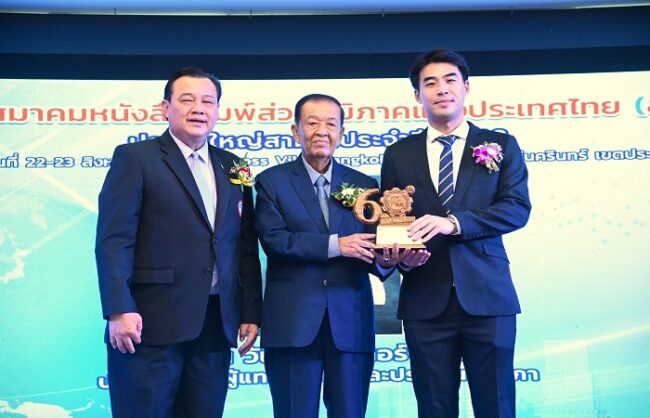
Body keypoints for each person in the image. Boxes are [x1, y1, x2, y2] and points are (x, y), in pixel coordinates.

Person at [95, 67, 262, 418]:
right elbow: (114, 240)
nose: (198, 108)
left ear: (218, 111)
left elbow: (244, 245)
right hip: (150, 323)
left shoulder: (236, 166)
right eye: (187, 100)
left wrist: (249, 311)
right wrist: (118, 308)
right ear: (165, 108)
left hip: (215, 324)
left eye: (208, 101)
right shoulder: (135, 158)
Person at [380, 49, 532, 417]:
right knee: (434, 406)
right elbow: (392, 223)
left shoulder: (500, 145)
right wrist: (402, 258)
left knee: (496, 405)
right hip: (424, 299)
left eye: (450, 80)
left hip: (488, 296)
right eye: (430, 83)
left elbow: (516, 208)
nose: (442, 89)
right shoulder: (398, 154)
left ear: (466, 87)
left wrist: (454, 222)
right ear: (417, 95)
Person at [254, 94, 399, 418]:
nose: (322, 131)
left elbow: (374, 246)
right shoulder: (271, 182)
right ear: (296, 131)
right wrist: (336, 245)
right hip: (293, 325)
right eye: (312, 123)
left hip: (350, 324)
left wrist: (390, 259)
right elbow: (275, 240)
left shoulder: (363, 185)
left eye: (331, 124)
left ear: (342, 133)